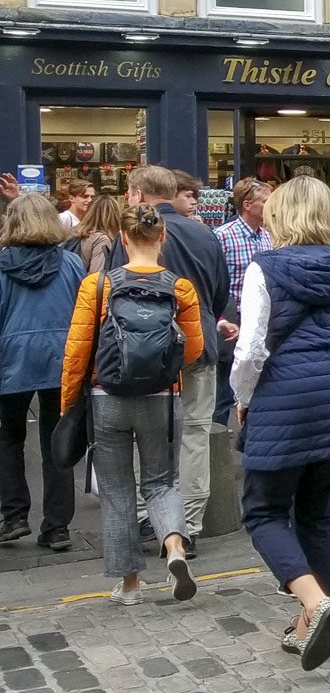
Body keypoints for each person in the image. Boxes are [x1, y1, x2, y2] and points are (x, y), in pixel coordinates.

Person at [232, 177, 330, 669]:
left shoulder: (264, 269)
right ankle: (308, 619)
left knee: (263, 511)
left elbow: (252, 348)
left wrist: (241, 397)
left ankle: (315, 604)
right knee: (319, 508)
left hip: (286, 398)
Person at [62, 204, 204, 605]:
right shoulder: (180, 288)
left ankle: (130, 585)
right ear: (162, 237)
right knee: (162, 481)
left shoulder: (97, 285)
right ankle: (175, 547)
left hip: (107, 397)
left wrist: (68, 404)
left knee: (118, 490)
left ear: (122, 239)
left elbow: (77, 352)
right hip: (162, 398)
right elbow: (193, 350)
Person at [117, 165, 234, 554]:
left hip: (142, 349)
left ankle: (147, 516)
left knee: (143, 434)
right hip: (196, 347)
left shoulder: (131, 234)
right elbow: (220, 296)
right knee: (195, 434)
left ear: (137, 193)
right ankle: (187, 524)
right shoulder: (204, 234)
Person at [0, 195, 86, 550]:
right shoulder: (70, 264)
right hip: (60, 361)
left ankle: (14, 515)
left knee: (8, 439)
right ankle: (56, 527)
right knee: (57, 443)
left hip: (10, 362)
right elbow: (83, 316)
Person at [214, 178, 273, 424]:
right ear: (247, 205)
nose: (271, 207)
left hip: (261, 318)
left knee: (260, 381)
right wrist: (220, 318)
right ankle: (216, 444)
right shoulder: (222, 236)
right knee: (224, 389)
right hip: (232, 318)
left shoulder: (268, 237)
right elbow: (213, 281)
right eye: (265, 202)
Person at [71, 195, 123, 276]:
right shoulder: (102, 240)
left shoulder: (77, 232)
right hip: (87, 286)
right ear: (115, 216)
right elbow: (97, 276)